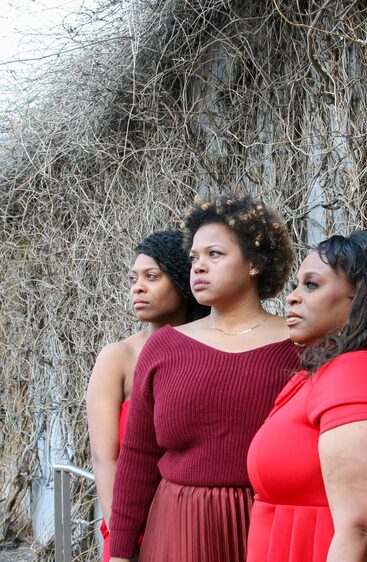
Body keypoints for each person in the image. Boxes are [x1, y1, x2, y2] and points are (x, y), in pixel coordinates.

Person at [108, 195, 301, 562]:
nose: (198, 267)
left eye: (215, 254)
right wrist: (119, 552)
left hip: (266, 527)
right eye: (194, 258)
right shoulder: (164, 348)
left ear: (255, 263)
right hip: (177, 528)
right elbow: (137, 457)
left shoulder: (298, 346)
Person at [245, 231, 367, 562]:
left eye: (311, 285)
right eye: (295, 286)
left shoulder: (358, 371)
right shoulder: (319, 373)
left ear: (360, 297)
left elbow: (363, 530)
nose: (292, 298)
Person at [86, 230, 209, 562]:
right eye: (134, 278)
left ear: (184, 283)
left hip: (195, 524)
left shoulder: (209, 350)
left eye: (152, 277)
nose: (137, 287)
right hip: (131, 526)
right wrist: (122, 535)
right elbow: (104, 458)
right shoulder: (118, 357)